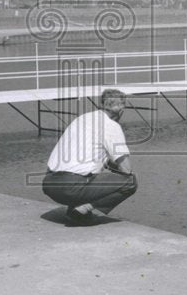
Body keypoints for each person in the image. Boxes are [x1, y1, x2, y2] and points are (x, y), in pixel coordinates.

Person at [41, 88, 137, 225]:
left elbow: (87, 155)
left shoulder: (82, 119)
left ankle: (76, 208)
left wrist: (106, 164)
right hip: (70, 187)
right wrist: (116, 170)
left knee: (86, 173)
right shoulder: (111, 126)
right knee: (130, 182)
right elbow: (126, 169)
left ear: (102, 104)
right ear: (121, 110)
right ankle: (82, 210)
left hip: (49, 184)